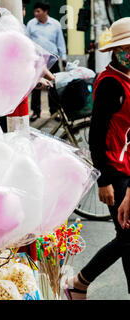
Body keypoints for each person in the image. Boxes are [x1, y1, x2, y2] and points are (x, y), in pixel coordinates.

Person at [64, 17, 130, 300]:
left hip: (125, 165)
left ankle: (79, 283)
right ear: (117, 50)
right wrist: (103, 180)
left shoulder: (126, 78)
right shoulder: (110, 84)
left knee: (127, 238)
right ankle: (79, 281)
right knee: (127, 237)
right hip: (115, 170)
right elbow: (96, 135)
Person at [26, 1, 67, 121]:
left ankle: (55, 111)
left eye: (38, 11)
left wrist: (63, 59)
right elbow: (27, 42)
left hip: (52, 60)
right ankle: (36, 111)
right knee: (36, 85)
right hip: (37, 60)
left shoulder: (55, 24)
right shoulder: (31, 24)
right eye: (35, 11)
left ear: (45, 11)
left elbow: (60, 42)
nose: (35, 14)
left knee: (53, 86)